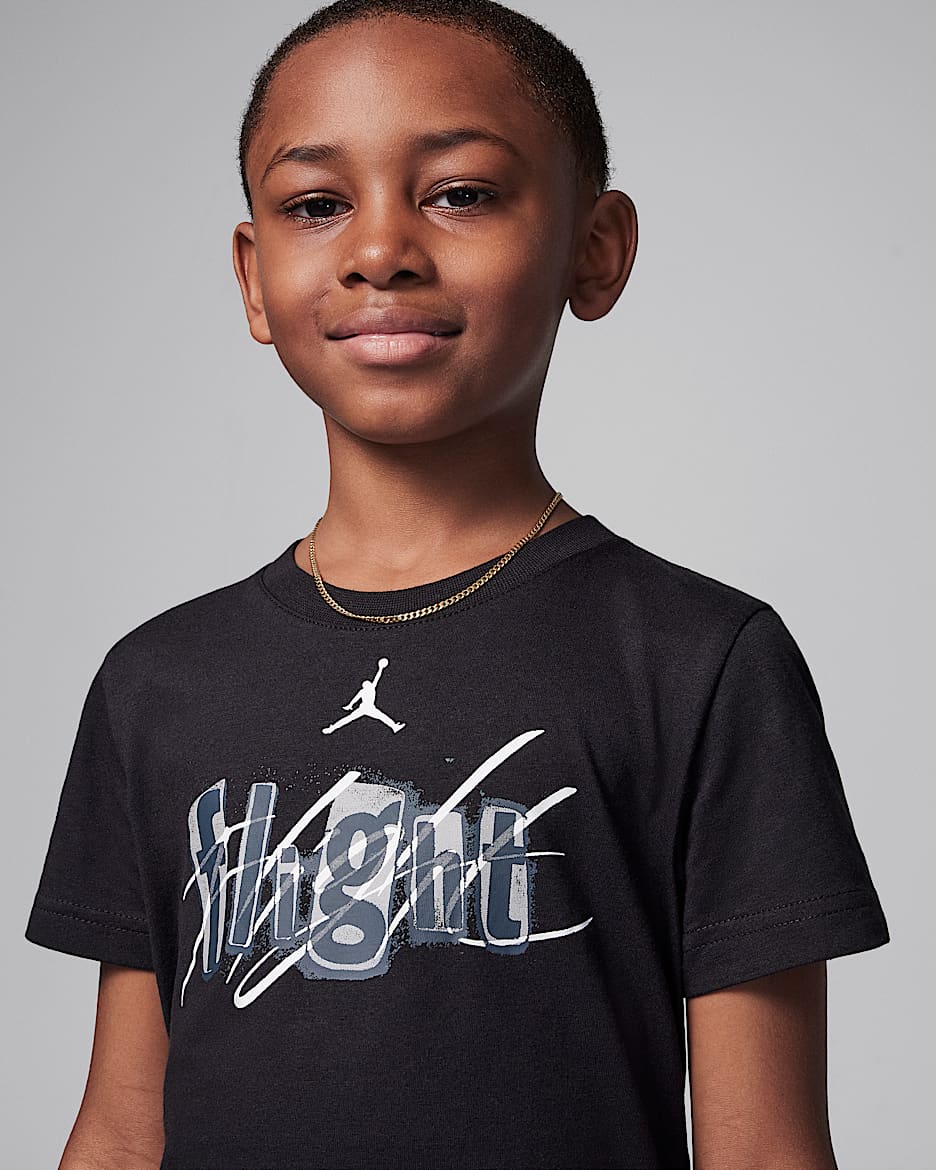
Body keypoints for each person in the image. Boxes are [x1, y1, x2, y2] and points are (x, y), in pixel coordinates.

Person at [24, 1, 890, 1167]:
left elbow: (767, 1150)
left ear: (596, 247)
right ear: (253, 278)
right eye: (316, 205)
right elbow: (123, 1131)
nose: (380, 250)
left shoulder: (700, 662)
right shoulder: (156, 683)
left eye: (460, 193)